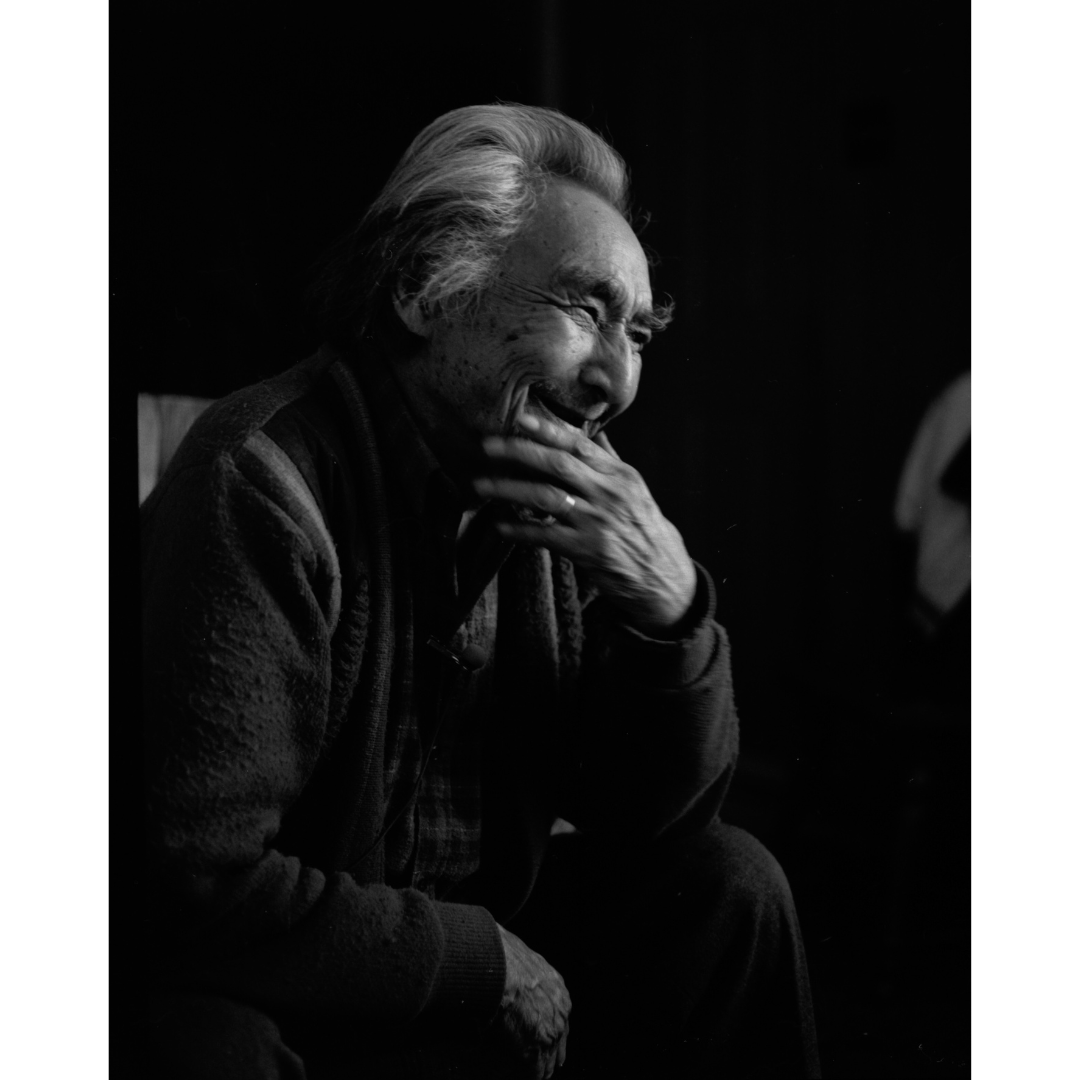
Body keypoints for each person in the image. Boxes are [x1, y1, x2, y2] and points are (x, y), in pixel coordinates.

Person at [139, 103, 821, 1079]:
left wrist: (670, 608)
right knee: (205, 1045)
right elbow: (193, 884)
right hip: (300, 973)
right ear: (424, 289)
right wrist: (475, 959)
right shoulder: (263, 478)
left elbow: (657, 822)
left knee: (730, 886)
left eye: (638, 332)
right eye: (585, 310)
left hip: (469, 944)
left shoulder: (546, 490)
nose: (617, 382)